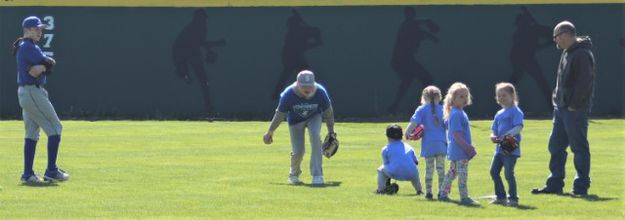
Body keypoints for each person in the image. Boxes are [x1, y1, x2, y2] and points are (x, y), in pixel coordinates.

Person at [532, 21, 596, 196]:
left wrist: (574, 105)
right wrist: (557, 100)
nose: (555, 41)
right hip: (561, 109)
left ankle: (581, 187)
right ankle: (555, 184)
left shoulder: (582, 53)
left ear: (566, 34)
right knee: (555, 146)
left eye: (556, 36)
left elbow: (585, 83)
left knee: (578, 148)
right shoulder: (567, 52)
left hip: (574, 110)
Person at [13, 16, 68, 184]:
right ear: (27, 30)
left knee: (32, 133)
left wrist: (43, 67)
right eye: (36, 29)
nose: (39, 32)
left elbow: (46, 65)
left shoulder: (27, 46)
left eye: (41, 29)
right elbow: (48, 63)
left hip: (28, 92)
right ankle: (51, 170)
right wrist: (45, 65)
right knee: (56, 127)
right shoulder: (28, 46)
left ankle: (28, 174)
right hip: (32, 92)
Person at [263, 70, 335, 185]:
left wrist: (331, 131)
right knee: (298, 151)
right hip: (295, 120)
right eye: (304, 86)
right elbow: (279, 114)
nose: (307, 89)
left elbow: (328, 113)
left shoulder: (320, 92)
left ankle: (317, 175)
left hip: (314, 116)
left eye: (309, 86)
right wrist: (270, 132)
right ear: (297, 83)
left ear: (313, 83)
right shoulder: (288, 94)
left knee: (315, 137)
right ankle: (294, 174)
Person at [438, 82, 478, 205]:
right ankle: (464, 197)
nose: (465, 99)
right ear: (453, 99)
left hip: (456, 149)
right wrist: (467, 147)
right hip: (460, 150)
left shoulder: (459, 112)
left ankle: (443, 194)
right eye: (461, 96)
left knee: (452, 172)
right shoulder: (456, 114)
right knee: (462, 174)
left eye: (466, 96)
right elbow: (456, 134)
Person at [405, 85, 446, 199]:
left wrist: (407, 132)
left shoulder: (421, 109)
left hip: (428, 144)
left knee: (429, 169)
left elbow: (414, 122)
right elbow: (448, 125)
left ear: (424, 97)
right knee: (441, 169)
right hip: (441, 143)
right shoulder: (443, 109)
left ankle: (428, 192)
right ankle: (441, 192)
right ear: (439, 97)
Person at [489, 83, 524, 206]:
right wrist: (493, 136)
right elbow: (494, 129)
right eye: (499, 95)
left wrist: (507, 135)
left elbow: (519, 127)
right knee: (493, 172)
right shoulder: (498, 113)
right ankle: (501, 197)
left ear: (512, 95)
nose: (501, 98)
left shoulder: (516, 111)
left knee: (509, 174)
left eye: (504, 95)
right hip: (499, 149)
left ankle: (513, 198)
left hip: (510, 149)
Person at [376, 124, 422, 195]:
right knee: (414, 171)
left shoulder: (385, 148)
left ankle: (381, 190)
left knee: (380, 170)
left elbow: (386, 164)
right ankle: (419, 190)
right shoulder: (409, 147)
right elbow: (416, 162)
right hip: (411, 174)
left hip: (394, 172)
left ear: (388, 137)